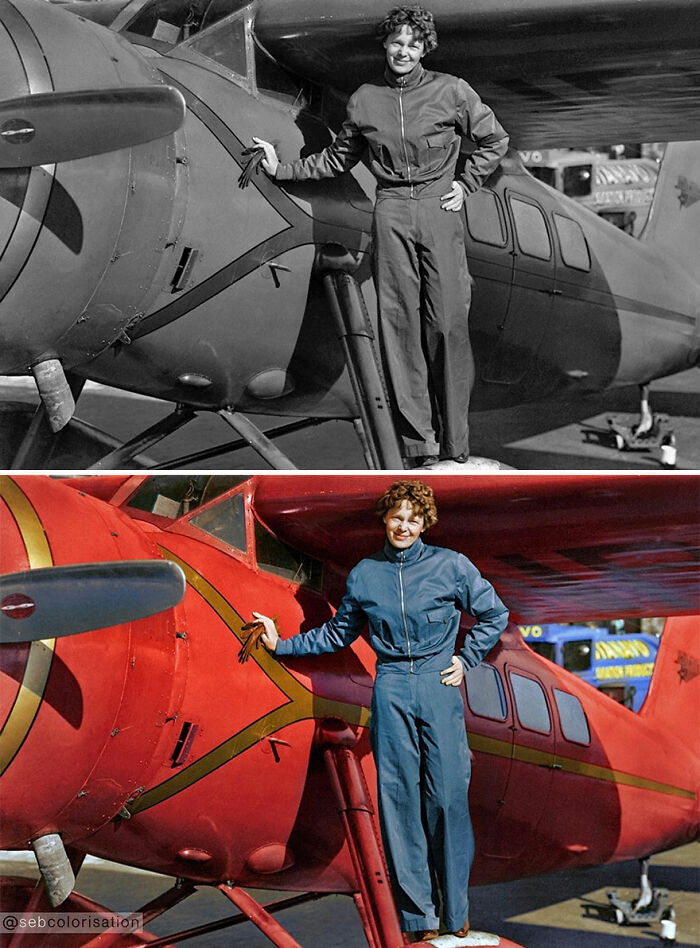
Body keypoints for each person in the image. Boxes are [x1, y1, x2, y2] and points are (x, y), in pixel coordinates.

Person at [250, 479, 509, 944]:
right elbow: (336, 634)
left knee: (447, 798)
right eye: (396, 518)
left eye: (413, 519)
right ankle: (418, 919)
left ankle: (456, 915)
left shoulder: (452, 566)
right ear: (385, 520)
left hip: (437, 682)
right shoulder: (365, 574)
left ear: (424, 522)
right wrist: (280, 645)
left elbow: (494, 615)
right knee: (398, 801)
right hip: (389, 686)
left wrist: (466, 659)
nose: (404, 526)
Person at [251, 5, 509, 468]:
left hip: (438, 208)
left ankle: (455, 445)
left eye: (413, 44)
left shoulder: (452, 90)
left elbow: (494, 140)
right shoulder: (365, 99)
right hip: (390, 210)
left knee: (447, 324)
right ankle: (419, 445)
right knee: (399, 326)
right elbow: (336, 160)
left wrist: (466, 184)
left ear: (424, 48)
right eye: (397, 43)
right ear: (385, 46)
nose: (404, 52)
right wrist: (279, 169)